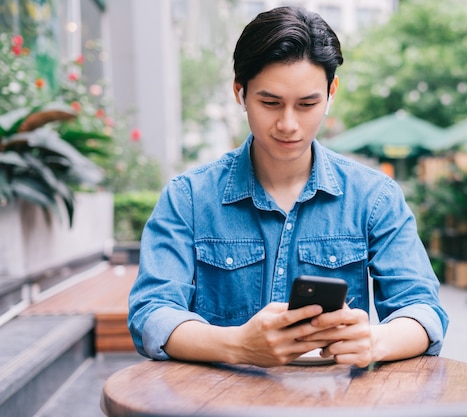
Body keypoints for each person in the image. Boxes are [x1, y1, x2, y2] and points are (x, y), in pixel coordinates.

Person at [128, 6, 448, 369]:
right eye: (270, 103)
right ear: (240, 92)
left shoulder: (374, 197)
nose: (288, 124)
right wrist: (236, 346)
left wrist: (374, 341)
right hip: (215, 402)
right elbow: (151, 314)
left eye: (308, 103)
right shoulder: (188, 198)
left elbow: (423, 310)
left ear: (331, 93)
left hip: (335, 403)